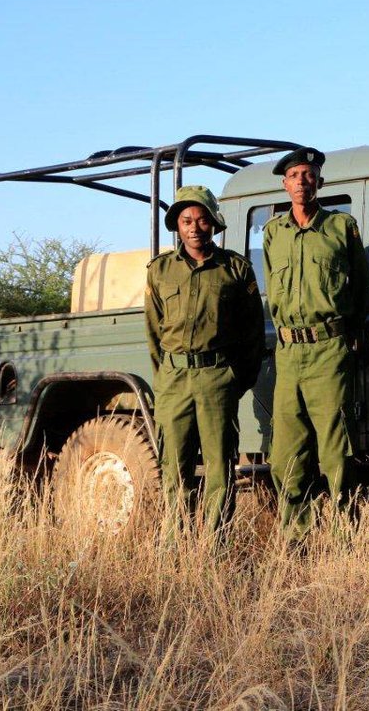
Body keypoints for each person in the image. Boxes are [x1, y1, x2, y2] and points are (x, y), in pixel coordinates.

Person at [263, 146, 369, 539]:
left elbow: (361, 288)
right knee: (286, 455)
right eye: (295, 176)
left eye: (309, 175)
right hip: (289, 351)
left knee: (335, 452)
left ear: (320, 182)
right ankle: (296, 538)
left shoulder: (341, 227)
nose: (302, 182)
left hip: (329, 348)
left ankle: (345, 538)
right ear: (285, 184)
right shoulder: (274, 232)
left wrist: (347, 337)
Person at [145, 185, 265, 535]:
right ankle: (175, 546)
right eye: (186, 220)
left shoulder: (236, 269)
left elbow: (252, 333)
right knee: (174, 467)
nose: (194, 227)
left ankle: (215, 548)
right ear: (177, 226)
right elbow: (153, 333)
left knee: (219, 468)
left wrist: (233, 379)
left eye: (201, 219)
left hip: (217, 377)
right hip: (174, 379)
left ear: (214, 223)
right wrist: (167, 377)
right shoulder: (160, 271)